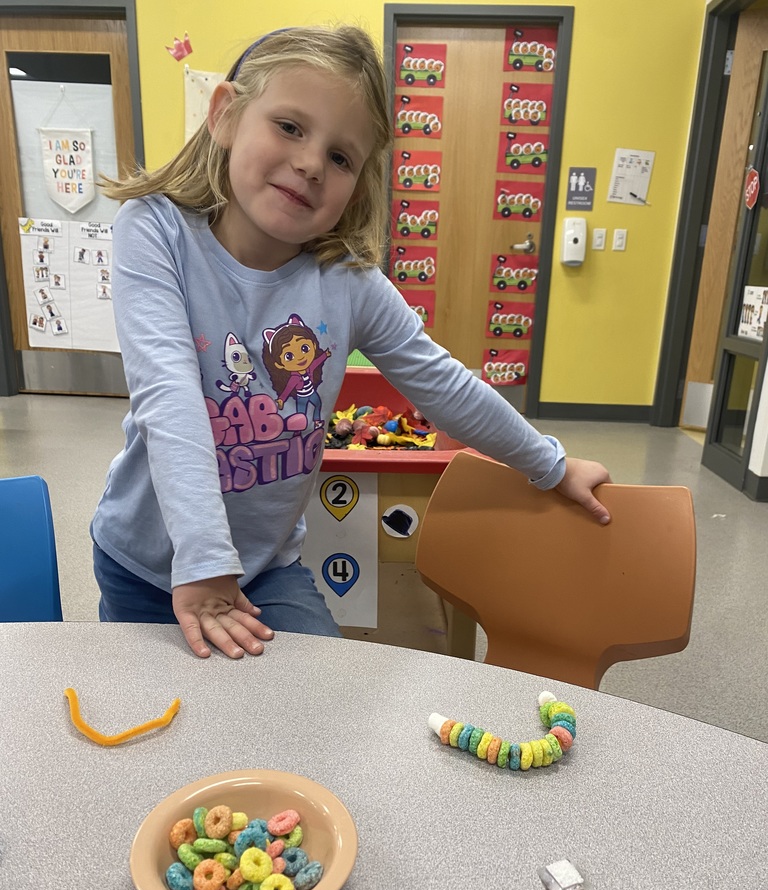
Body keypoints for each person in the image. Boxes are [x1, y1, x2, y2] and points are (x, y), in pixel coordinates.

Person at [91, 24, 611, 662]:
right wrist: (202, 566)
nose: (311, 163)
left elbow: (443, 383)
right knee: (162, 730)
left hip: (263, 570)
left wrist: (550, 464)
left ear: (358, 186)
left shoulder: (348, 281)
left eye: (341, 158)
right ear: (225, 114)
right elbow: (170, 400)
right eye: (289, 126)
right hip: (144, 562)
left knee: (319, 709)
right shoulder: (154, 230)